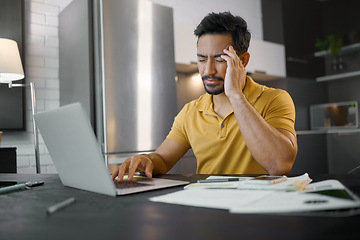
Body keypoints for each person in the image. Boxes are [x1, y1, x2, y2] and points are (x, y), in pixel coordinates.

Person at [112, 12, 298, 182]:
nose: (208, 70)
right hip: (207, 207)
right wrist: (147, 160)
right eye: (201, 59)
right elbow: (162, 159)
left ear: (242, 61)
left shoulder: (275, 99)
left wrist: (236, 95)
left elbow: (279, 165)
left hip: (259, 209)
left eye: (219, 60)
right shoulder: (191, 111)